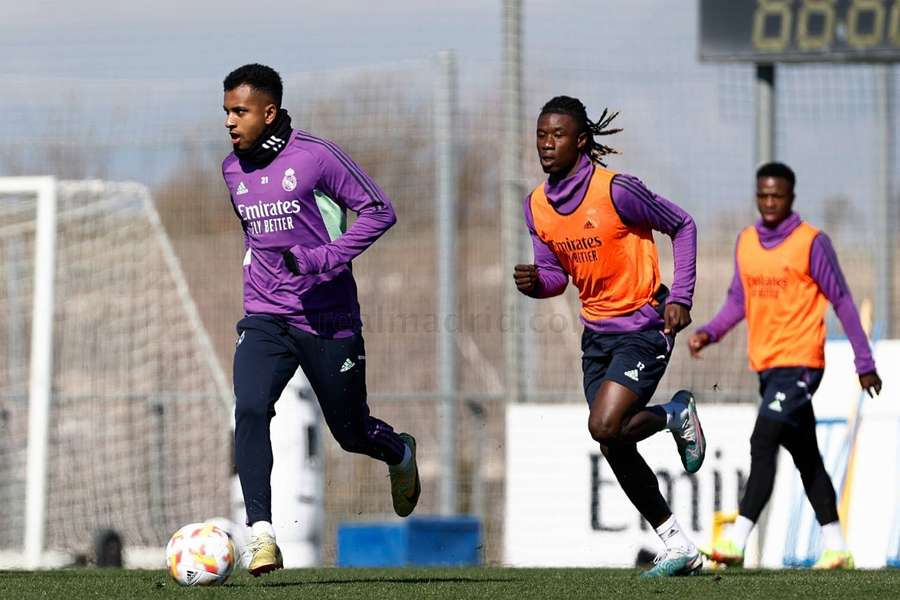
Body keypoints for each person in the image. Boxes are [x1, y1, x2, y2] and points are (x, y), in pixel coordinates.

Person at [221, 64, 420, 576]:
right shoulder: (230, 169)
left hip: (328, 320)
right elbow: (258, 241)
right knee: (248, 406)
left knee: (350, 434)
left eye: (239, 111)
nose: (229, 121)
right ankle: (261, 536)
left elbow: (380, 210)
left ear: (268, 113)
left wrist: (323, 259)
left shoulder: (315, 157)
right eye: (225, 111)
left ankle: (398, 452)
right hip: (266, 315)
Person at [514, 96, 705, 577]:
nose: (547, 144)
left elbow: (683, 224)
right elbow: (555, 275)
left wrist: (681, 295)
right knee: (614, 443)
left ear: (581, 141)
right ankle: (678, 545)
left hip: (645, 326)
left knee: (603, 425)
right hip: (596, 335)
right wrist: (537, 284)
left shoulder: (617, 191)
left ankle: (673, 413)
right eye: (541, 135)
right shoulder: (536, 205)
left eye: (557, 135)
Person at [689, 162, 882, 570]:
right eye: (764, 195)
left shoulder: (811, 242)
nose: (770, 202)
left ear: (791, 197)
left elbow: (843, 301)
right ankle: (837, 547)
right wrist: (710, 332)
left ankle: (736, 541)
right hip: (768, 367)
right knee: (806, 455)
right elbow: (738, 301)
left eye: (778, 195)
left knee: (763, 439)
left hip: (801, 364)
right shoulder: (745, 242)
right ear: (757, 196)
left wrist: (863, 361)